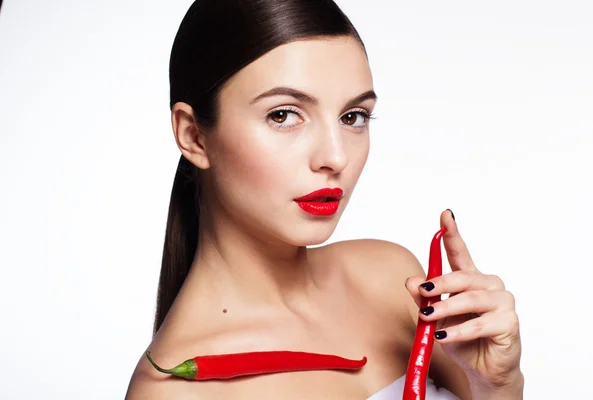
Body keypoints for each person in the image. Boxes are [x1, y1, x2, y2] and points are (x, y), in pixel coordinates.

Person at [125, 0, 524, 398]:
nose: (335, 157)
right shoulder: (173, 391)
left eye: (353, 117)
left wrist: (497, 385)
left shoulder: (390, 279)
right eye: (283, 115)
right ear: (193, 136)